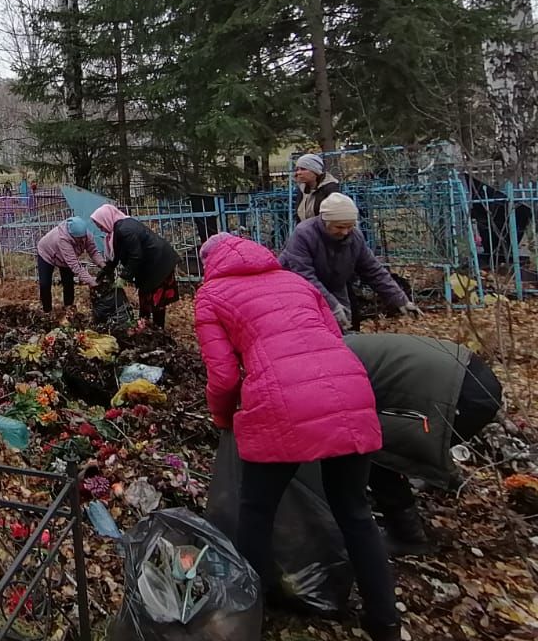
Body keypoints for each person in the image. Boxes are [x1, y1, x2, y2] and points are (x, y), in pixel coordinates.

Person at [195, 232, 400, 641]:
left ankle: (250, 616)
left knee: (255, 513)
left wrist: (222, 419)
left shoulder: (211, 295)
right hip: (350, 393)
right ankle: (385, 622)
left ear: (208, 263)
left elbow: (223, 376)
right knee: (356, 514)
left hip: (281, 403)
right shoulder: (296, 281)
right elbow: (333, 339)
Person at [345, 333, 503, 556]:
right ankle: (440, 480)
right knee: (398, 431)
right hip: (472, 372)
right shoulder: (338, 346)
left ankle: (407, 536)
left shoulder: (328, 368)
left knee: (377, 449)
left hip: (462, 394)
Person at [279, 193, 420, 331]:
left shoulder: (355, 237)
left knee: (343, 329)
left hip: (335, 286)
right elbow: (304, 276)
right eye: (339, 227)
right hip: (297, 292)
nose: (346, 232)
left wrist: (400, 299)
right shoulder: (304, 234)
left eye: (350, 226)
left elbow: (372, 270)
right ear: (325, 221)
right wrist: (332, 305)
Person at [90, 203, 181, 329]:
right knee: (145, 298)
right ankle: (145, 327)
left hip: (158, 264)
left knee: (155, 300)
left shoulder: (124, 230)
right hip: (150, 264)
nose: (100, 228)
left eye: (99, 224)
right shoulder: (119, 228)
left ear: (106, 219)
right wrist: (105, 271)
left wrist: (123, 277)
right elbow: (117, 255)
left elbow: (135, 256)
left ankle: (158, 329)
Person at [35, 217, 104, 313]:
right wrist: (91, 281)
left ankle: (68, 310)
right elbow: (74, 265)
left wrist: (103, 265)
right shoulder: (62, 239)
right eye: (79, 238)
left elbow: (93, 252)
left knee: (68, 283)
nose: (82, 240)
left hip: (65, 260)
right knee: (45, 284)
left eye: (83, 237)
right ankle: (47, 311)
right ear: (72, 236)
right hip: (47, 254)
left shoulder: (87, 235)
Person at [294, 153, 342, 223]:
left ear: (315, 171)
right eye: (297, 169)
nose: (298, 172)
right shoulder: (303, 189)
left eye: (303, 169)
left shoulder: (330, 190)